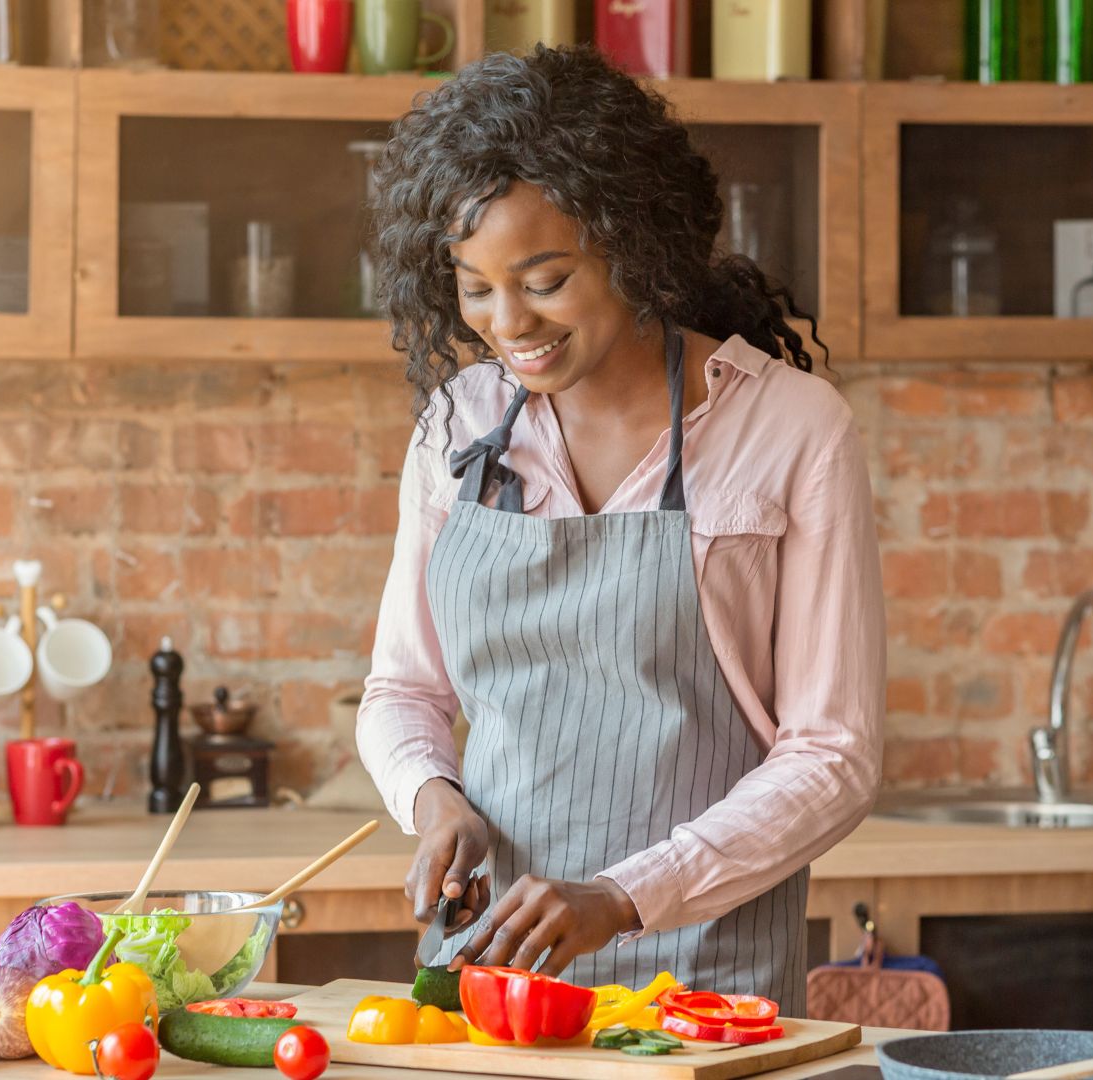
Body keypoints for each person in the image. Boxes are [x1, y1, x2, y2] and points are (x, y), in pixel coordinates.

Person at [355, 44, 884, 1011]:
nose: (508, 322)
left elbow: (834, 754)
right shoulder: (460, 426)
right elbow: (403, 689)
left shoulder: (792, 430)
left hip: (707, 980)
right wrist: (435, 800)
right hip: (491, 971)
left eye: (544, 279)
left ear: (633, 243)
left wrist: (625, 896)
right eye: (475, 287)